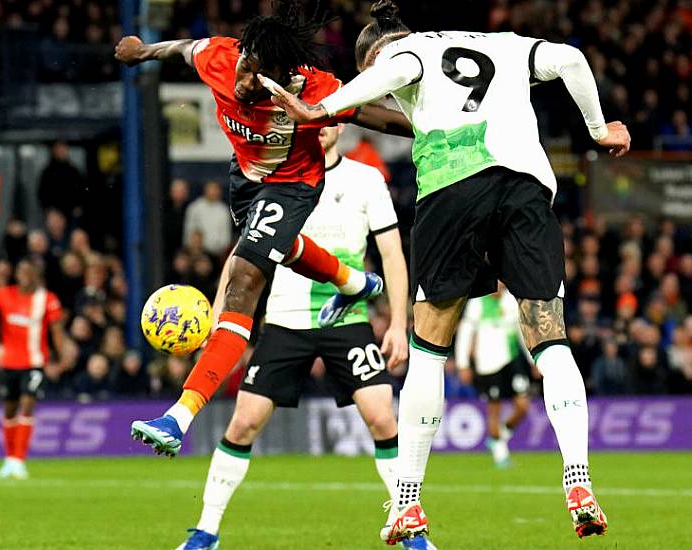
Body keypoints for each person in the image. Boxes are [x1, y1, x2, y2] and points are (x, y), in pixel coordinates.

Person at [268, 0, 630, 542]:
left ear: (373, 54)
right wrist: (599, 130)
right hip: (527, 190)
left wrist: (319, 111)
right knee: (551, 341)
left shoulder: (403, 53)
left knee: (429, 349)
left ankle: (408, 501)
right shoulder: (506, 45)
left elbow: (395, 70)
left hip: (453, 191)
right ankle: (577, 475)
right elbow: (574, 60)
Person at [114, 0, 412, 458]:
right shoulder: (222, 58)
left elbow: (373, 115)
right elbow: (185, 47)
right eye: (245, 66)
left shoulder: (313, 88)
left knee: (243, 280)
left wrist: (431, 126)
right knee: (283, 248)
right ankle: (354, 282)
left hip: (294, 185)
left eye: (256, 75)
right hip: (245, 180)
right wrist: (143, 50)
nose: (243, 80)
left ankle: (178, 416)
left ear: (282, 74)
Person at [176, 125, 431, 550]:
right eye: (318, 118)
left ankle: (411, 530)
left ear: (342, 124)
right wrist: (221, 311)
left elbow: (391, 255)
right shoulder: (277, 181)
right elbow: (244, 253)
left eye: (332, 118)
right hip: (285, 318)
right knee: (244, 422)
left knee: (383, 417)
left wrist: (400, 325)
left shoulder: (366, 179)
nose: (325, 127)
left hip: (346, 317)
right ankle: (206, 531)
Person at [0, 259, 66, 479]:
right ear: (17, 275)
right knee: (9, 410)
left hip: (35, 362)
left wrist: (61, 358)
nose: (26, 276)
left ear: (36, 276)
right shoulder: (4, 295)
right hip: (9, 362)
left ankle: (19, 459)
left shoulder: (47, 300)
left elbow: (56, 331)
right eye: (22, 272)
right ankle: (9, 459)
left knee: (28, 403)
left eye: (30, 272)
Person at [455, 284, 532, 469]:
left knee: (523, 406)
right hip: (488, 364)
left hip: (512, 360)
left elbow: (522, 333)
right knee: (494, 410)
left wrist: (532, 359)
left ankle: (499, 438)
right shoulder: (477, 303)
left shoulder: (511, 301)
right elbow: (465, 334)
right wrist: (463, 364)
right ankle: (500, 455)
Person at [182, 180, 235, 258]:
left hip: (217, 253)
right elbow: (188, 232)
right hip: (196, 252)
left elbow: (226, 237)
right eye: (211, 189)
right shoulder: (194, 207)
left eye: (215, 189)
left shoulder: (224, 210)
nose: (213, 192)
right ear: (205, 190)